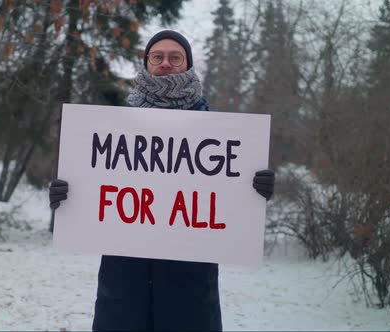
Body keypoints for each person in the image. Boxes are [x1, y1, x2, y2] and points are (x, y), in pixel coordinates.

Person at [49, 30, 275, 331]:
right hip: (123, 284)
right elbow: (97, 192)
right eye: (157, 57)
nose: (165, 63)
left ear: (188, 65)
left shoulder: (216, 131)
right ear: (146, 64)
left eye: (175, 57)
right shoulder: (115, 128)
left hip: (190, 286)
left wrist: (255, 187)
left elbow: (227, 201)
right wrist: (67, 194)